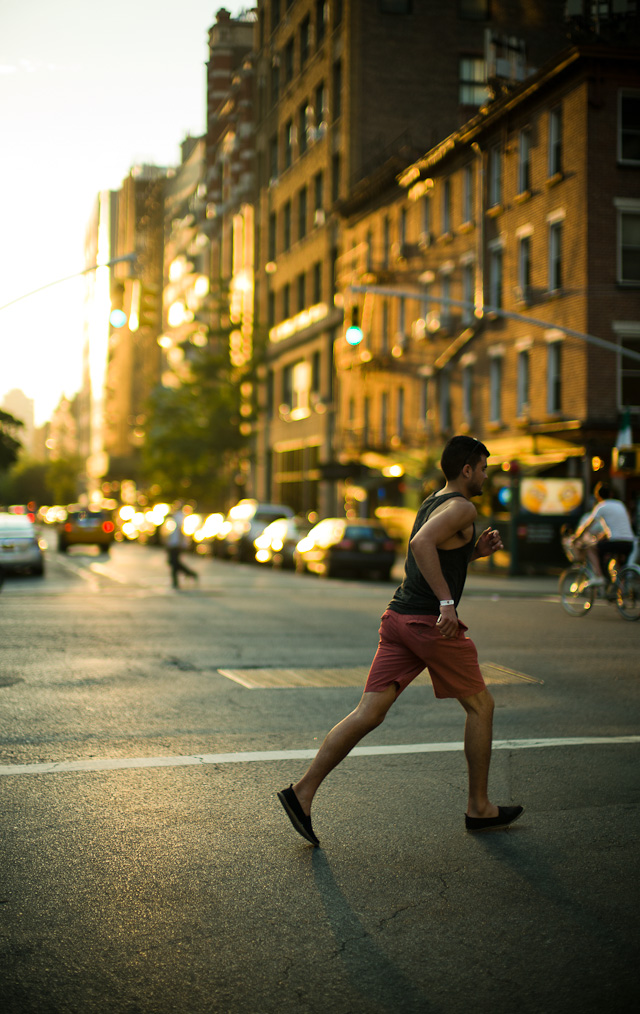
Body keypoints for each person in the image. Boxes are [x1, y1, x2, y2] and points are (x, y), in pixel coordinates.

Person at [278, 435, 524, 846]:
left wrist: (473, 552)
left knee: (368, 713)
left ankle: (302, 792)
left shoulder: (433, 501)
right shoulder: (463, 505)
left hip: (399, 618)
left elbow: (433, 553)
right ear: (467, 469)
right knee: (481, 706)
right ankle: (479, 808)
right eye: (483, 468)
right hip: (428, 623)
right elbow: (420, 544)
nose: (485, 475)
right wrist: (447, 603)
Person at [572, 482, 635, 586]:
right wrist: (603, 536)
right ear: (611, 494)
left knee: (591, 548)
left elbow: (587, 526)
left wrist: (576, 538)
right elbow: (619, 525)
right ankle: (621, 591)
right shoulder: (620, 504)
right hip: (629, 542)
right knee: (618, 566)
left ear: (598, 496)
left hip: (615, 542)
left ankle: (599, 576)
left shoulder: (601, 507)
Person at [166, 503, 198, 590]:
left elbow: (180, 530)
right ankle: (178, 580)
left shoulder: (179, 515)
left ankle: (188, 574)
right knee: (174, 563)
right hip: (174, 543)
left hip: (176, 544)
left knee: (174, 562)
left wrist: (180, 543)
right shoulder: (176, 516)